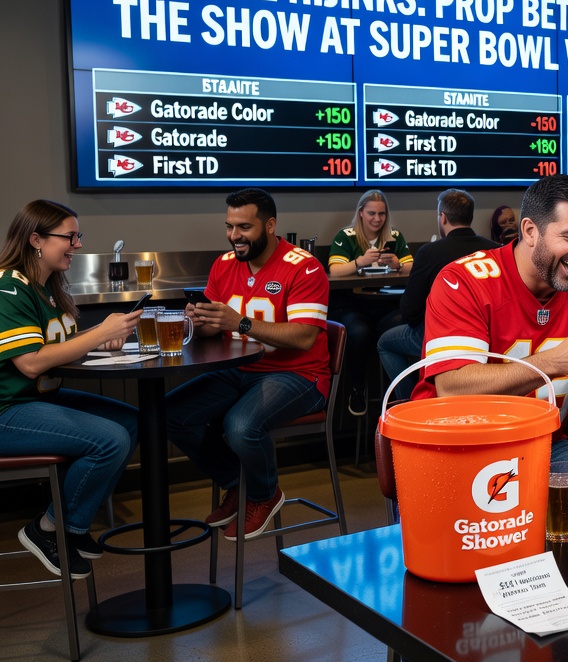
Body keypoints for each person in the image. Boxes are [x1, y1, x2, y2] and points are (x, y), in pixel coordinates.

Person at [413, 175, 568, 471]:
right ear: (530, 231)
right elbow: (452, 389)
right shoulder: (463, 280)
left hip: (542, 443)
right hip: (454, 444)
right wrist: (553, 362)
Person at [166, 189, 330, 539]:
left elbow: (303, 337)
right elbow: (215, 328)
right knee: (170, 414)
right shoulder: (224, 265)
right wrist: (197, 320)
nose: (234, 236)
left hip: (298, 375)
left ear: (270, 226)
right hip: (238, 370)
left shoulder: (304, 267)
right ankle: (238, 483)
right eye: (229, 226)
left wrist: (238, 322)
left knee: (239, 425)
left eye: (244, 227)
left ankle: (264, 494)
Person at [0, 200, 139, 578]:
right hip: (7, 410)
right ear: (36, 240)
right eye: (70, 237)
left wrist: (100, 341)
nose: (77, 245)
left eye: (79, 236)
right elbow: (30, 361)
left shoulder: (47, 287)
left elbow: (57, 348)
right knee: (109, 439)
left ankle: (70, 526)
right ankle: (48, 528)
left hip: (38, 398)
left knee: (130, 422)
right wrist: (99, 332)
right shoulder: (9, 288)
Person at [377, 189, 497, 402]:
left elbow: (409, 311)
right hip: (491, 336)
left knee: (385, 343)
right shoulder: (495, 250)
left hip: (442, 337)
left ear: (443, 217)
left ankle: (409, 405)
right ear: (469, 216)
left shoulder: (430, 252)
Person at [326, 189, 413, 416]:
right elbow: (334, 270)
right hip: (352, 304)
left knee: (401, 328)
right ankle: (357, 389)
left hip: (386, 303)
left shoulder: (394, 235)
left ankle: (402, 395)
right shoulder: (346, 236)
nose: (377, 219)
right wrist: (359, 262)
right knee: (360, 332)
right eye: (372, 213)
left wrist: (398, 265)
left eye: (381, 214)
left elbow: (412, 267)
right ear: (361, 213)